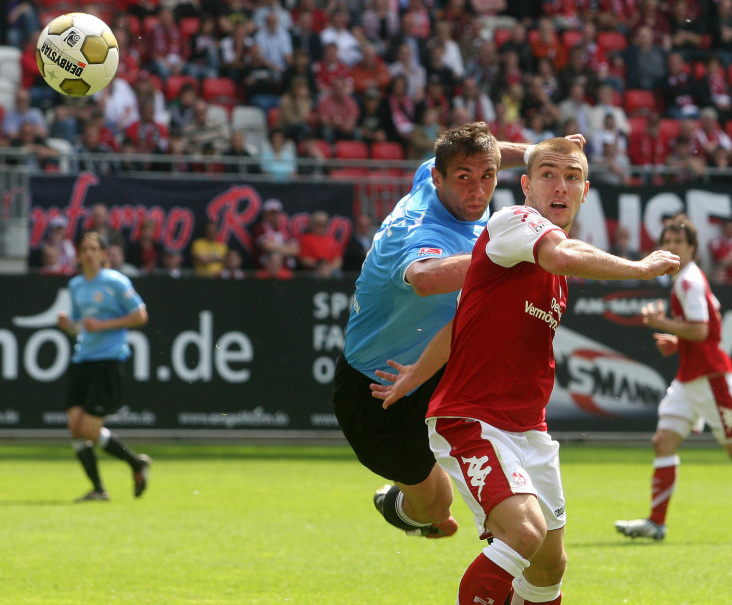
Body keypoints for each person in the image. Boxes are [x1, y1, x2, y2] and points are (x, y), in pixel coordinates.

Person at [370, 137, 679, 604]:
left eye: (571, 177)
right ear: (526, 186)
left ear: (585, 190)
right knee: (524, 532)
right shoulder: (514, 222)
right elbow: (561, 253)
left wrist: (415, 373)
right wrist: (640, 268)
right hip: (473, 421)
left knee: (550, 564)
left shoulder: (547, 269)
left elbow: (464, 324)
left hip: (528, 431)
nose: (560, 185)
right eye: (548, 174)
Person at [333, 122, 586, 542]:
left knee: (501, 496)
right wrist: (500, 257)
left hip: (437, 373)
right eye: (464, 179)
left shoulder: (437, 178)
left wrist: (536, 153)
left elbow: (490, 152)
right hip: (378, 390)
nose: (477, 191)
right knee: (436, 509)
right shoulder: (421, 227)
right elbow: (425, 278)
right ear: (438, 177)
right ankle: (397, 506)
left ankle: (506, 521)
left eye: (487, 177)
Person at [615, 215, 732, 541]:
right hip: (689, 377)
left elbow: (702, 329)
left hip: (710, 377)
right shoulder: (688, 278)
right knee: (663, 441)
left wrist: (661, 323)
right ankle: (656, 522)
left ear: (692, 248)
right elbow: (711, 322)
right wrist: (678, 341)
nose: (671, 247)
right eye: (667, 242)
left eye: (678, 242)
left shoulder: (687, 281)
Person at [57, 232, 151, 502]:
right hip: (82, 361)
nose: (89, 253)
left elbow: (141, 315)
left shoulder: (115, 282)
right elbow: (80, 326)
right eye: (84, 248)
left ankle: (135, 463)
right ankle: (99, 489)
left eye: (94, 248)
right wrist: (68, 326)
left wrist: (105, 325)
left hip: (108, 363)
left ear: (103, 254)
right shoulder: (76, 285)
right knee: (74, 425)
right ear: (79, 255)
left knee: (88, 429)